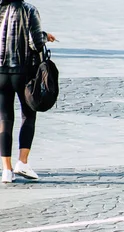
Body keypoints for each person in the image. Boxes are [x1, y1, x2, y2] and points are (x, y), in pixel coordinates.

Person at [0, 0, 56, 184]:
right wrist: (46, 36)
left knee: (5, 118)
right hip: (23, 71)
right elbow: (36, 42)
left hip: (1, 71)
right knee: (28, 114)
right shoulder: (29, 9)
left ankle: (6, 170)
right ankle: (22, 162)